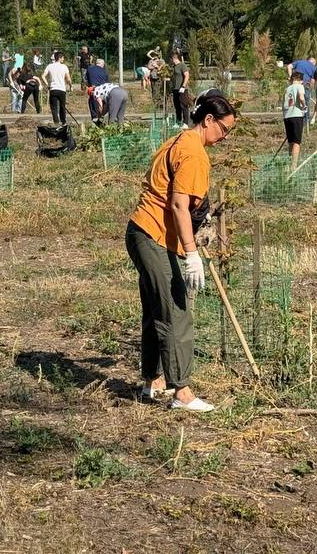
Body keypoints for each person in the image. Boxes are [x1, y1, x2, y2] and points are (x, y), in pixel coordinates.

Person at [126, 89, 236, 413]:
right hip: (153, 235)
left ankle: (153, 381)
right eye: (224, 129)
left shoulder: (178, 140)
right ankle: (182, 392)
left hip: (139, 231)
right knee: (176, 311)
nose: (225, 137)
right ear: (209, 120)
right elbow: (178, 205)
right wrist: (191, 253)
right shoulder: (194, 153)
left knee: (155, 308)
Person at [282, 70, 307, 170]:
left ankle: (289, 164)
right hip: (296, 115)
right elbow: (301, 97)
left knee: (291, 141)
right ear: (300, 80)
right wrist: (304, 106)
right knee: (297, 142)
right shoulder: (299, 86)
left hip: (287, 117)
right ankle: (294, 166)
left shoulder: (287, 89)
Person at [44, 51, 72, 124]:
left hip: (53, 89)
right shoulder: (64, 66)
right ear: (59, 58)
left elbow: (43, 76)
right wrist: (70, 86)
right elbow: (68, 79)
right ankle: (63, 122)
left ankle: (56, 122)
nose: (63, 59)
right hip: (62, 90)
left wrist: (48, 84)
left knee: (54, 107)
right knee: (62, 107)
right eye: (62, 58)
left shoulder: (50, 66)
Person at [170, 50, 190, 125]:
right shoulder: (174, 67)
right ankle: (178, 122)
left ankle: (185, 123)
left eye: (171, 59)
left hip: (182, 89)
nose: (171, 61)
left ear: (174, 58)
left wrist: (183, 86)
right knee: (177, 106)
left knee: (184, 106)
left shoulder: (182, 65)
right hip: (175, 89)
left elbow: (187, 75)